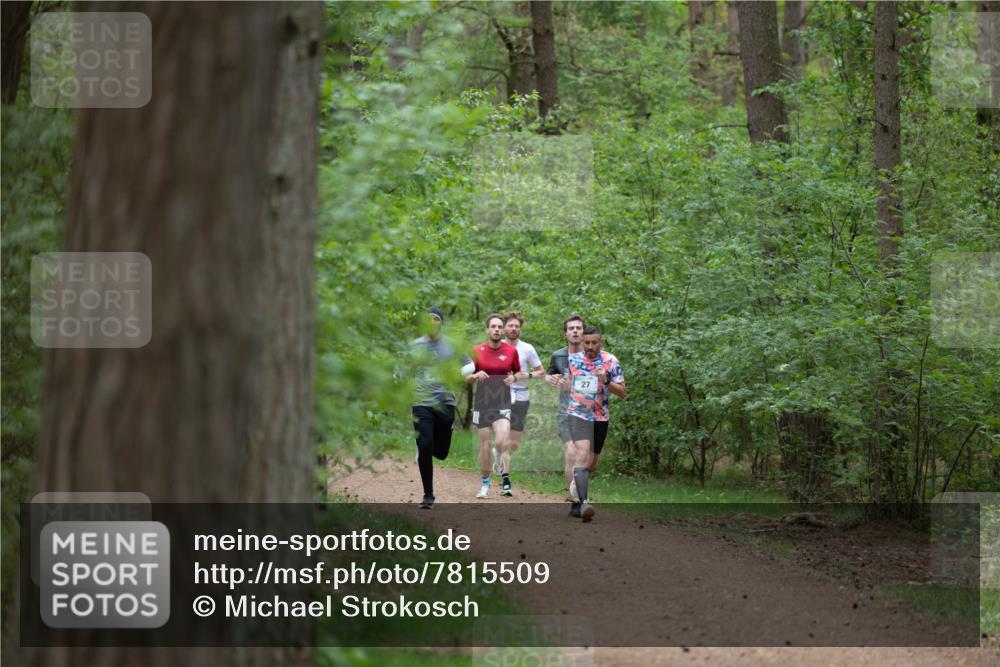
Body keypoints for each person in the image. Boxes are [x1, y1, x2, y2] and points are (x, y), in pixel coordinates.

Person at [566, 325, 626, 522]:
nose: (590, 346)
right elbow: (566, 384)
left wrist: (607, 381)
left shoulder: (611, 361)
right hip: (578, 414)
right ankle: (584, 503)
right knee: (582, 453)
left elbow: (623, 393)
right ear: (582, 342)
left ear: (601, 342)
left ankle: (576, 490)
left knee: (591, 465)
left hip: (600, 417)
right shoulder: (573, 360)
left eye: (594, 343)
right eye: (586, 342)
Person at [409, 307, 465, 509]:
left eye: (435, 319)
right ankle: (428, 495)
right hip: (421, 402)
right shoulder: (414, 346)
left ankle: (428, 449)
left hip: (445, 402)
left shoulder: (451, 345)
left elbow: (468, 365)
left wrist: (461, 375)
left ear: (441, 322)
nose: (432, 322)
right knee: (424, 445)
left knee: (440, 452)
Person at [465, 314, 520, 499]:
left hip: (502, 402)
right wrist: (475, 375)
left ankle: (500, 460)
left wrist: (514, 377)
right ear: (487, 330)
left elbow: (518, 372)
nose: (496, 329)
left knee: (502, 443)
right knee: (485, 445)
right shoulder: (476, 350)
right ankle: (485, 484)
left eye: (499, 327)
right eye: (493, 327)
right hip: (482, 404)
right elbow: (466, 377)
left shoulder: (511, 351)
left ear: (503, 330)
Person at [498, 311, 545, 496]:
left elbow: (541, 371)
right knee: (503, 438)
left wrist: (529, 375)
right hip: (501, 397)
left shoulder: (527, 348)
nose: (513, 328)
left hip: (521, 396)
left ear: (520, 329)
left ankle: (499, 453)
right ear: (504, 328)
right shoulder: (496, 347)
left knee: (514, 444)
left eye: (517, 326)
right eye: (510, 325)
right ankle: (505, 481)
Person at [545, 314, 586, 497]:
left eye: (578, 328)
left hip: (588, 413)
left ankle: (579, 493)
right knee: (570, 454)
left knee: (584, 458)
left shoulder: (592, 355)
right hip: (565, 412)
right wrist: (551, 379)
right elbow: (548, 375)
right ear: (565, 333)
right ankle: (575, 500)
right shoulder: (558, 355)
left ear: (583, 332)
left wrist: (574, 385)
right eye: (571, 328)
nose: (575, 331)